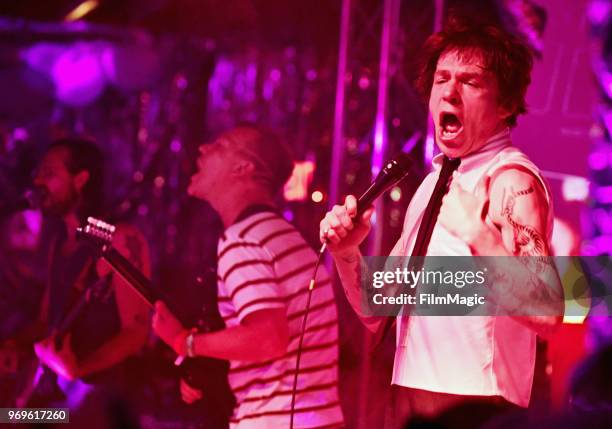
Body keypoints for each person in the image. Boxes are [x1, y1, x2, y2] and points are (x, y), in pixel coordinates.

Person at [319, 17, 563, 428]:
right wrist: (347, 253)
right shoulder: (436, 182)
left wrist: (479, 234)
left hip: (476, 409)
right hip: (412, 401)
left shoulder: (511, 180)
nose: (449, 91)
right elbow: (376, 307)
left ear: (505, 105)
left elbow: (549, 313)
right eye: (441, 79)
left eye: (470, 82)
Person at [152, 124, 344, 428]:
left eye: (220, 145)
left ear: (243, 168)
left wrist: (183, 342)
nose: (203, 149)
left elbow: (269, 338)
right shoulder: (286, 239)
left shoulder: (243, 239)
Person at [14, 138, 150, 410]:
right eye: (38, 173)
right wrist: (13, 346)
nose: (38, 182)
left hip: (100, 406)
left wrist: (78, 369)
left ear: (81, 179)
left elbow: (136, 332)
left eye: (49, 173)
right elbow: (47, 324)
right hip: (59, 408)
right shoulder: (60, 241)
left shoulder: (117, 237)